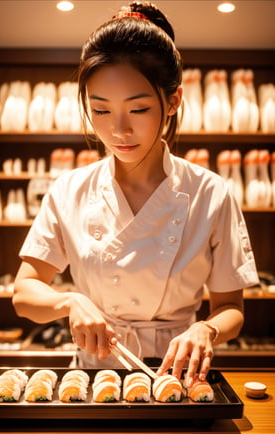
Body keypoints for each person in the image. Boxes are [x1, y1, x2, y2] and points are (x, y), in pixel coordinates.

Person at [13, 1, 259, 387]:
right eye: (101, 110)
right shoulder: (69, 190)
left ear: (173, 101)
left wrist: (207, 331)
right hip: (95, 377)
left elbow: (231, 308)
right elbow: (24, 293)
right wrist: (69, 302)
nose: (119, 131)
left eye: (139, 109)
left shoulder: (211, 193)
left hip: (179, 376)